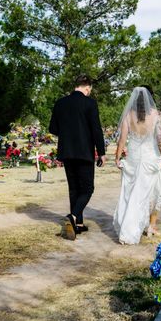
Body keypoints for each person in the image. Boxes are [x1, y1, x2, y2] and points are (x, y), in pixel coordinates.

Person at [49, 75, 106, 240]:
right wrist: (101, 152)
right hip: (84, 152)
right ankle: (73, 217)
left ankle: (78, 225)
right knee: (88, 189)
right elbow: (96, 130)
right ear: (88, 87)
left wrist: (68, 132)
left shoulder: (60, 103)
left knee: (74, 188)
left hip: (66, 151)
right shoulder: (90, 103)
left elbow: (53, 128)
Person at [113, 87, 161, 245]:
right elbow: (159, 139)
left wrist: (117, 158)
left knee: (130, 194)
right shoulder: (155, 115)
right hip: (150, 158)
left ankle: (129, 228)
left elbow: (122, 139)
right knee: (143, 196)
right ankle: (131, 232)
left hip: (134, 158)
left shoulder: (128, 115)